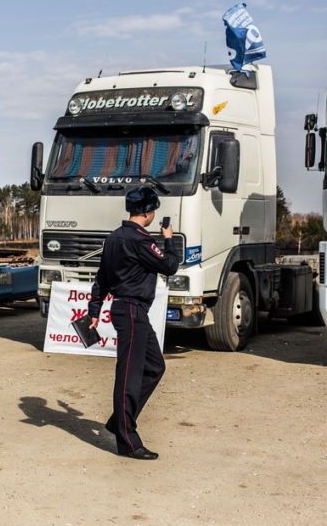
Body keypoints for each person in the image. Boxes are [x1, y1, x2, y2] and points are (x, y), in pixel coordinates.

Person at [88, 185, 180, 460]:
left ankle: (120, 421)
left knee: (155, 366)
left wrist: (95, 309)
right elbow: (170, 266)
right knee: (129, 376)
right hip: (130, 309)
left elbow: (101, 277)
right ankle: (128, 441)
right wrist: (168, 240)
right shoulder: (140, 240)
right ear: (149, 213)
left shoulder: (114, 238)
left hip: (128, 310)